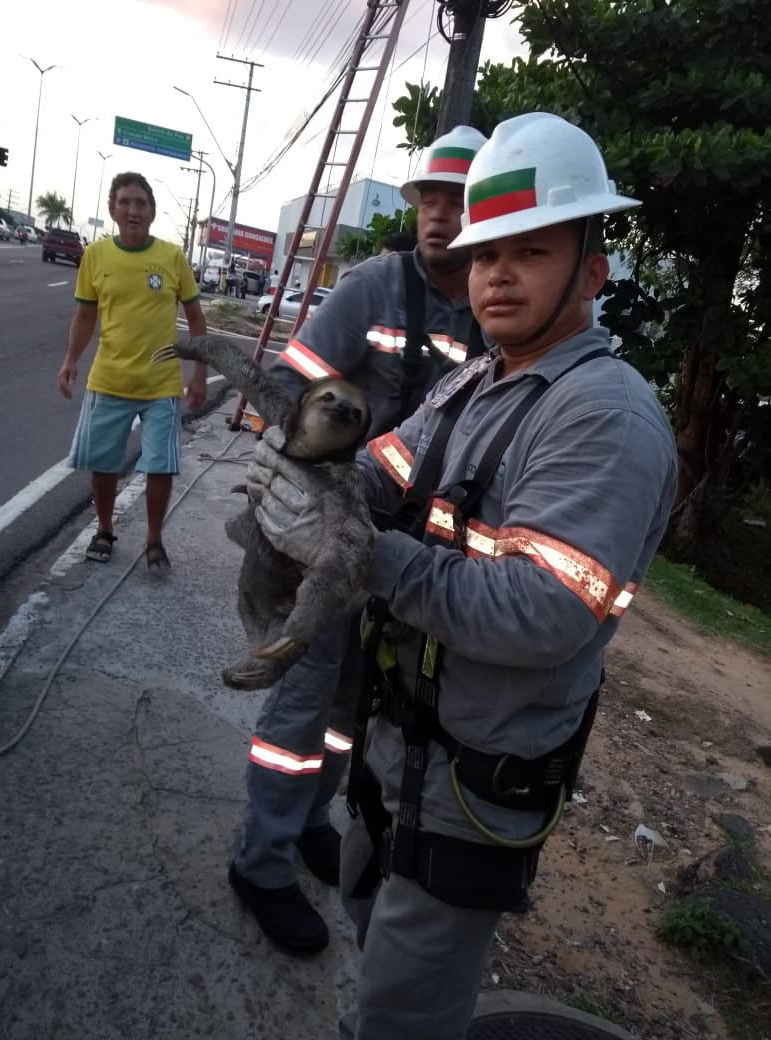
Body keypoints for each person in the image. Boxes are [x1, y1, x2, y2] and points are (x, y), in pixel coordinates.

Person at [248, 112, 678, 1037]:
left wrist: (362, 551)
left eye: (529, 250)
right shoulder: (478, 381)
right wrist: (312, 478)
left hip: (476, 778)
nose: (496, 273)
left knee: (405, 1008)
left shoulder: (603, 417)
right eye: (486, 254)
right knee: (375, 938)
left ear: (593, 270)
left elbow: (542, 613)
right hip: (400, 739)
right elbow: (384, 469)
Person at [226, 125, 488, 955]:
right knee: (301, 702)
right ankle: (260, 862)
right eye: (430, 199)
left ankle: (309, 822)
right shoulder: (374, 286)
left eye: (460, 200)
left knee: (353, 709)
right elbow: (292, 393)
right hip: (329, 537)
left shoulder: (489, 310)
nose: (440, 215)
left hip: (407, 555)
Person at [57, 171, 208, 569]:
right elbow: (86, 313)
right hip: (109, 380)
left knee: (161, 466)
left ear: (153, 213)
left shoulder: (172, 257)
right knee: (104, 465)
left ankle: (154, 540)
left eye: (141, 203)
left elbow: (195, 318)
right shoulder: (96, 256)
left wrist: (199, 374)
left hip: (161, 385)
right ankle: (104, 529)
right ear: (113, 210)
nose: (133, 210)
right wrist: (71, 359)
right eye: (124, 202)